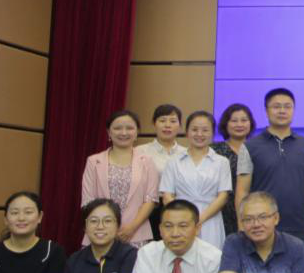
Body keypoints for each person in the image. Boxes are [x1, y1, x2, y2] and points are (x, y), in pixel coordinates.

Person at [240, 88, 304, 245]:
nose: (282, 111)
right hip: (260, 225)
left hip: (299, 224)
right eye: (276, 106)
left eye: (287, 106)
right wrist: (241, 223)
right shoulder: (250, 146)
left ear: (293, 110)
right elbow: (242, 190)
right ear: (266, 111)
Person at [82, 110, 160, 246]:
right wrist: (106, 227)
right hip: (100, 233)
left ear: (137, 132)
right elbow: (88, 201)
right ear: (109, 132)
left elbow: (151, 199)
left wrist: (132, 228)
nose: (124, 133)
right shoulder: (93, 161)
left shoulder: (147, 161)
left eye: (129, 128)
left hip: (136, 233)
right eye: (117, 128)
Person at [161, 111, 233, 250]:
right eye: (194, 129)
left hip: (210, 219)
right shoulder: (173, 161)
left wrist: (198, 219)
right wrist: (182, 218)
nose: (199, 134)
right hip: (180, 221)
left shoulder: (221, 162)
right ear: (187, 132)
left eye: (205, 130)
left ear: (213, 133)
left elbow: (223, 196)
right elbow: (167, 195)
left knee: (210, 257)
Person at [138, 104, 189, 239]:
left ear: (180, 125)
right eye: (162, 120)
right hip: (149, 208)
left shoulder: (186, 153)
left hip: (179, 207)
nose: (167, 125)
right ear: (154, 123)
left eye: (173, 121)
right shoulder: (140, 151)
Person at [211, 103, 255, 236]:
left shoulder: (257, 149)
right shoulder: (214, 151)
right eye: (234, 121)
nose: (239, 124)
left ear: (251, 123)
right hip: (220, 209)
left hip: (252, 209)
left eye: (244, 120)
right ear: (226, 124)